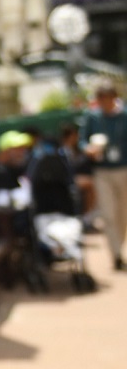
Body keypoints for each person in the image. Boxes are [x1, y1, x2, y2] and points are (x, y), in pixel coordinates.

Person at [80, 80, 127, 270]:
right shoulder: (92, 117)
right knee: (108, 213)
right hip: (102, 170)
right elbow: (83, 141)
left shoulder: (124, 116)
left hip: (123, 169)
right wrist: (89, 150)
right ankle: (115, 254)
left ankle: (119, 246)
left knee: (122, 214)